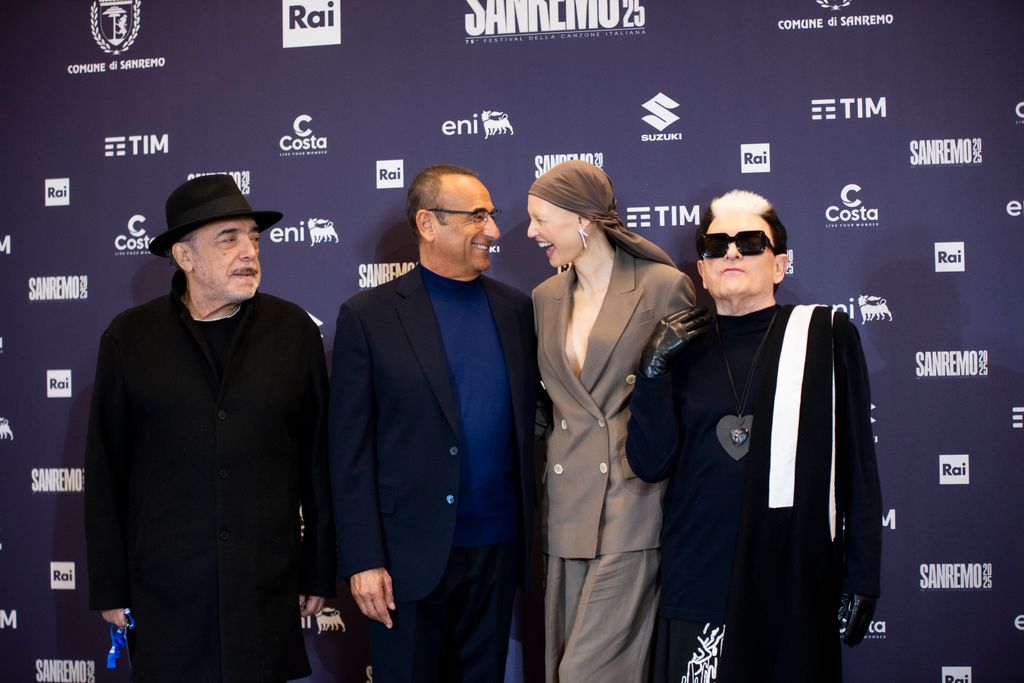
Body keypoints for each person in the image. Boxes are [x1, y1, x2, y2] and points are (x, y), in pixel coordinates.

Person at [84, 174, 336, 682]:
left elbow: (320, 463)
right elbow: (106, 468)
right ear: (184, 257)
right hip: (167, 593)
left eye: (254, 238)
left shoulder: (294, 333)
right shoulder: (129, 338)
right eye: (229, 238)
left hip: (264, 584)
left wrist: (318, 567)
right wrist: (110, 586)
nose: (249, 252)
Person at [626, 189, 882, 682]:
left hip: (792, 578)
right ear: (701, 270)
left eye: (748, 242)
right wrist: (653, 373)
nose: (731, 253)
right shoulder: (679, 346)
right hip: (701, 578)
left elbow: (858, 467)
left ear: (780, 265)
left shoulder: (824, 335)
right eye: (715, 245)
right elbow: (650, 463)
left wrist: (863, 573)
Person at [328, 164, 537, 682]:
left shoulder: (517, 310)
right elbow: (348, 452)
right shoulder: (368, 316)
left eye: (492, 215)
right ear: (427, 223)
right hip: (405, 560)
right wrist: (363, 560)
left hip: (497, 550)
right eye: (477, 217)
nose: (492, 230)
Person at [525, 160, 695, 683]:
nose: (530, 233)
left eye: (541, 219)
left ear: (583, 219)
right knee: (560, 672)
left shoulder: (663, 286)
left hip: (631, 506)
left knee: (588, 675)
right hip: (564, 513)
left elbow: (682, 402)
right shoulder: (545, 298)